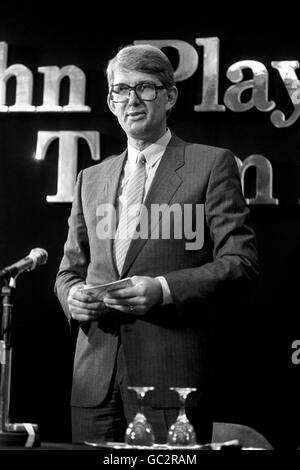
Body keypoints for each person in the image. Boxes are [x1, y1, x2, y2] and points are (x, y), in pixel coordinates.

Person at [55, 44, 259, 445]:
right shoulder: (89, 178)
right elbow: (69, 271)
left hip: (171, 377)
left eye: (145, 88)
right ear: (111, 99)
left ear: (170, 96)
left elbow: (241, 261)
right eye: (120, 89)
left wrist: (162, 290)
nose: (131, 100)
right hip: (94, 380)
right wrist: (72, 297)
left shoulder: (211, 163)